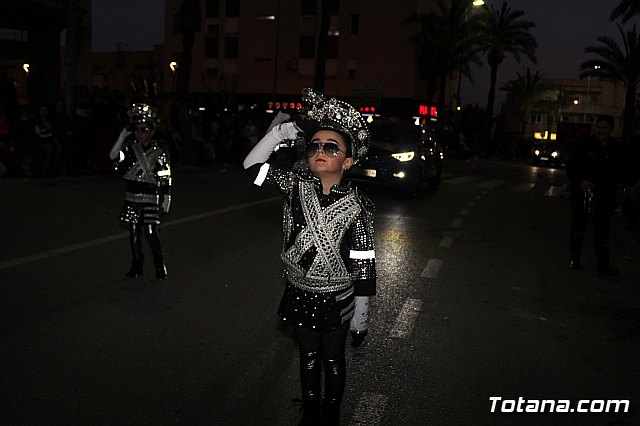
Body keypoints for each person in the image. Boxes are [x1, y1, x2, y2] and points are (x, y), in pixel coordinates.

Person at [243, 88, 376, 425]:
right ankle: (311, 411)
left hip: (337, 296)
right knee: (308, 356)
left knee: (333, 359)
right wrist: (282, 132)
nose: (320, 150)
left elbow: (364, 264)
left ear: (347, 161)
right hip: (300, 291)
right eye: (314, 145)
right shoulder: (294, 186)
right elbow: (251, 165)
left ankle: (330, 415)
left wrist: (361, 315)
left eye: (331, 147)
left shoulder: (360, 207)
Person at [109, 103, 172, 280]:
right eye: (137, 130)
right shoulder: (130, 149)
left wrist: (166, 198)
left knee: (151, 232)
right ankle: (137, 266)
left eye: (144, 129)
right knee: (134, 234)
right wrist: (122, 136)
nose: (140, 134)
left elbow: (165, 175)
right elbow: (113, 157)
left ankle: (160, 265)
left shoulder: (159, 151)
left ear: (152, 131)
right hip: (131, 197)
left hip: (150, 198)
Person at [566, 114, 624, 276]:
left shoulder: (615, 148)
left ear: (611, 129)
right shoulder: (585, 144)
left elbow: (619, 172)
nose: (601, 131)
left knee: (602, 232)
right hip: (584, 194)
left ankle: (603, 265)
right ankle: (575, 259)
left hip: (604, 196)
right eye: (598, 127)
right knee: (579, 228)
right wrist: (581, 181)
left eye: (604, 127)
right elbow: (572, 166)